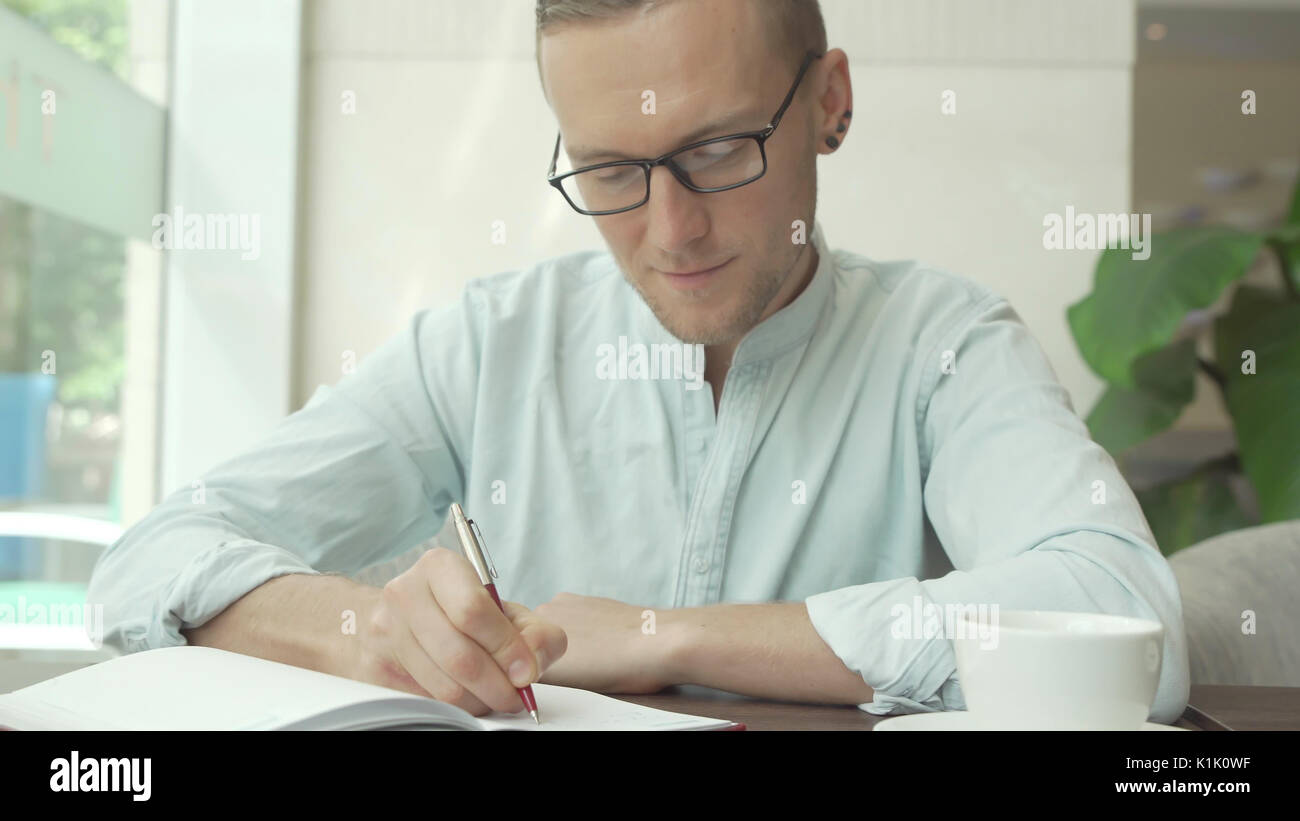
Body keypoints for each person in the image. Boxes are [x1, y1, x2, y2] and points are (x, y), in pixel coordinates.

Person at [88, 0, 1189, 722]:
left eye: (717, 151)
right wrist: (371, 624)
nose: (670, 232)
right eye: (609, 169)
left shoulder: (942, 343)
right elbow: (150, 559)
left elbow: (1121, 607)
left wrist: (658, 637)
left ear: (830, 104)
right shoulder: (486, 342)